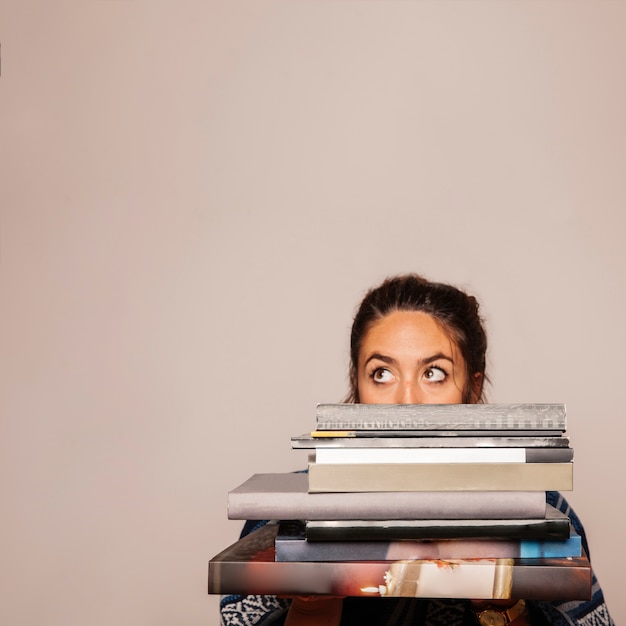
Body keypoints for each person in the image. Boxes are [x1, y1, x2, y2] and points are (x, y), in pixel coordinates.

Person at [220, 274, 614, 626]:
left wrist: (499, 600)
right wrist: (314, 600)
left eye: (434, 373)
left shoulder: (537, 510)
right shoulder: (289, 515)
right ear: (357, 389)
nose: (406, 400)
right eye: (382, 373)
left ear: (472, 389)